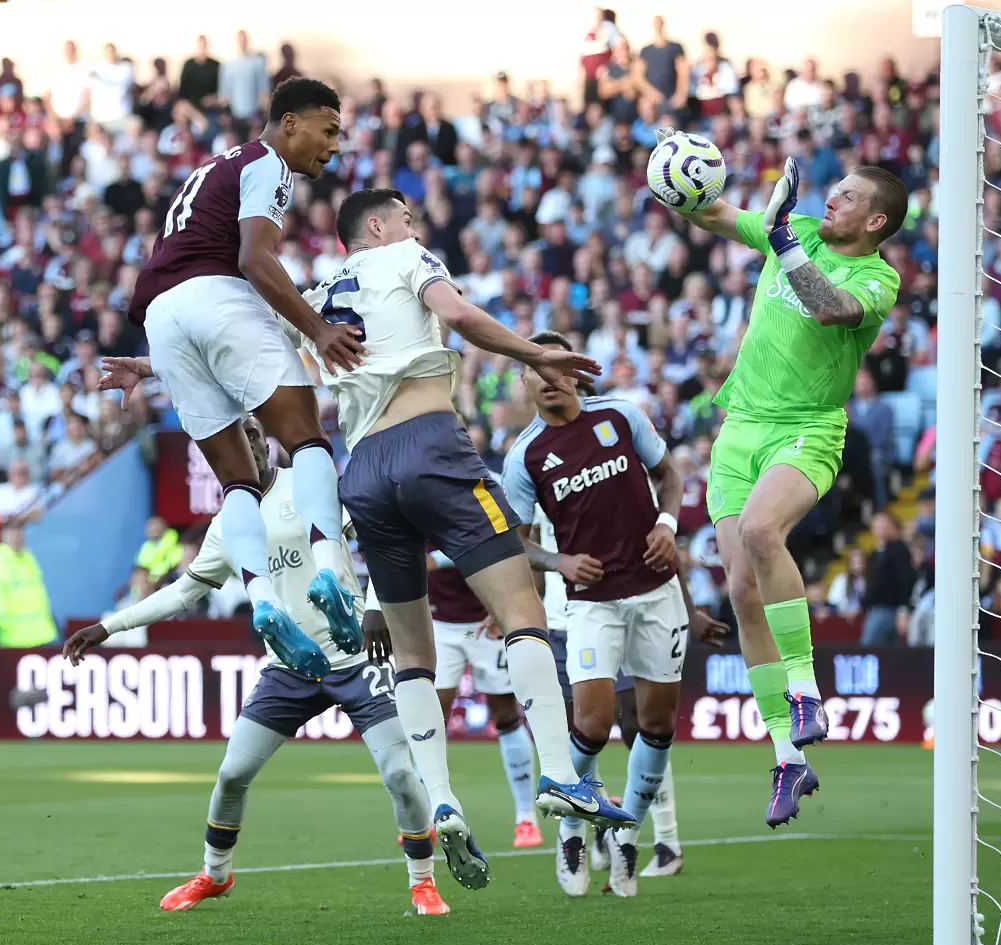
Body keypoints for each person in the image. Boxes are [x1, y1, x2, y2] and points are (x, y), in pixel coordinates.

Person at [100, 188, 636, 895]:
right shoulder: (406, 256)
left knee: (413, 653)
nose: (416, 225)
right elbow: (459, 316)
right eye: (408, 216)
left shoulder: (318, 297)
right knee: (521, 613)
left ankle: (440, 796)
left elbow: (239, 360)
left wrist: (145, 368)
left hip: (364, 470)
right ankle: (562, 778)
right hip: (430, 445)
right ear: (379, 226)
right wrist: (535, 353)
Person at [63, 417, 449, 916]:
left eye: (252, 437)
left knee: (399, 772)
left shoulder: (310, 484)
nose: (248, 448)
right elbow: (185, 591)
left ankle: (422, 881)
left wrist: (376, 606)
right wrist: (110, 627)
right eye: (234, 442)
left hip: (355, 658)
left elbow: (383, 539)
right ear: (218, 455)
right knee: (231, 775)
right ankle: (214, 874)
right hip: (288, 668)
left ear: (265, 444)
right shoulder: (228, 523)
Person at [654, 137, 905, 826]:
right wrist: (673, 185)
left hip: (807, 430)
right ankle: (788, 759)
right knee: (739, 588)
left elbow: (829, 307)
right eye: (835, 189)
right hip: (738, 431)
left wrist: (779, 243)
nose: (833, 197)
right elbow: (712, 217)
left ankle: (805, 690)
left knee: (764, 532)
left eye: (849, 195)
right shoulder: (791, 228)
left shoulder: (878, 279)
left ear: (875, 222)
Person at [115, 77, 366, 679]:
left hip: (161, 318)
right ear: (288, 123)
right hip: (216, 293)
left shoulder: (211, 170)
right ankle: (331, 572)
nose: (332, 147)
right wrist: (318, 328)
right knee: (306, 439)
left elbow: (184, 275)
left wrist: (152, 364)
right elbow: (254, 259)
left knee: (238, 483)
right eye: (326, 130)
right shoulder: (268, 164)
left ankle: (262, 602)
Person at [503, 330, 724, 897]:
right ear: (524, 380)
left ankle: (628, 832)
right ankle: (573, 826)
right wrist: (560, 560)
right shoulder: (524, 456)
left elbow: (669, 476)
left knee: (653, 725)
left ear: (577, 373)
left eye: (559, 368)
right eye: (537, 369)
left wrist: (668, 527)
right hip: (591, 603)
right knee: (594, 724)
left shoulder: (622, 417)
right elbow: (516, 542)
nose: (550, 378)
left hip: (657, 592)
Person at [428, 546, 542, 849]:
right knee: (431, 720)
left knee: (506, 715)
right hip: (438, 624)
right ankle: (428, 817)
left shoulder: (471, 499)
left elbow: (479, 543)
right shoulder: (412, 500)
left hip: (486, 620)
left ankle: (526, 818)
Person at [0, 524, 57, 648]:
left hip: (42, 633)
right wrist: (6, 625)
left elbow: (38, 592)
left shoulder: (28, 558)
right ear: (3, 537)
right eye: (12, 534)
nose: (17, 538)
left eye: (20, 533)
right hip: (15, 638)